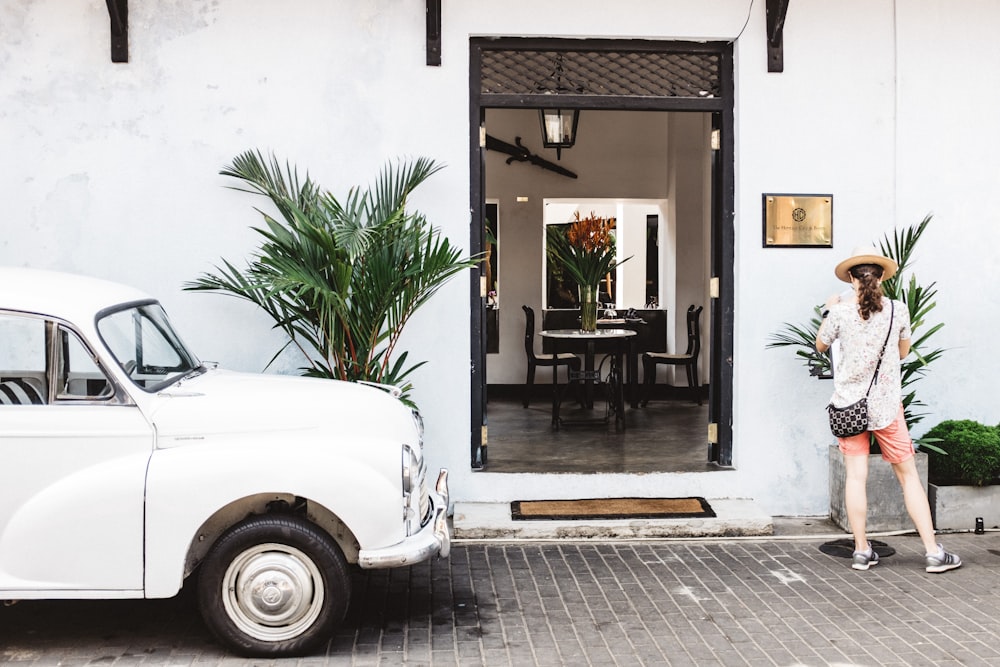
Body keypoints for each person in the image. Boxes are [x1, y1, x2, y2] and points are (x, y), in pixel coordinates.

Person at [816, 246, 961, 574]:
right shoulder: (897, 310)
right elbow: (904, 352)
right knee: (909, 477)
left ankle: (862, 551)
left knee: (856, 477)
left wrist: (829, 311)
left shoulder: (839, 313)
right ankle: (933, 552)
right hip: (885, 406)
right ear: (881, 277)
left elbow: (821, 345)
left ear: (852, 279)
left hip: (849, 406)